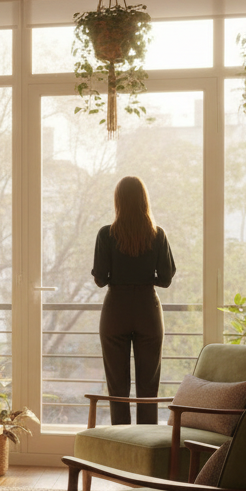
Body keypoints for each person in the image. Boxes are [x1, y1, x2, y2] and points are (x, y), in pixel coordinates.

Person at [91, 176, 176, 425]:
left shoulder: (106, 234)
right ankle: (146, 448)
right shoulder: (157, 235)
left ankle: (122, 443)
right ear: (143, 200)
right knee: (149, 385)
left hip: (115, 309)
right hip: (147, 309)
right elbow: (166, 279)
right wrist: (146, 275)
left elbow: (100, 279)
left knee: (117, 386)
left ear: (118, 201)